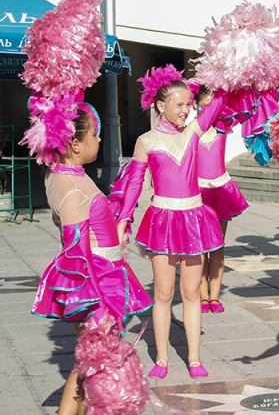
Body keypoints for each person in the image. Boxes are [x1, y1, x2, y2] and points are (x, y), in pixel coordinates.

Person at [29, 105, 153, 415]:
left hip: (103, 275)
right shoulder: (71, 188)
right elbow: (76, 254)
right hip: (94, 286)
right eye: (95, 135)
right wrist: (99, 308)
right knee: (94, 361)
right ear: (74, 143)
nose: (99, 140)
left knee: (91, 363)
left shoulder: (65, 174)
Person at [114, 66, 235, 379]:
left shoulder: (194, 131)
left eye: (189, 104)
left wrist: (229, 67)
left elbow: (219, 102)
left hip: (194, 218)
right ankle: (163, 359)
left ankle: (194, 358)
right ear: (160, 107)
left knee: (191, 293)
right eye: (179, 105)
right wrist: (124, 219)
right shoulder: (146, 141)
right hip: (162, 220)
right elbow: (135, 184)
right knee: (164, 294)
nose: (186, 110)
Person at [195, 85, 250, 313]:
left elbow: (238, 104)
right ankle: (201, 295)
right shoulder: (190, 131)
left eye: (214, 106)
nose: (210, 111)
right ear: (197, 105)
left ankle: (214, 296)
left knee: (217, 246)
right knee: (198, 248)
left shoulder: (223, 128)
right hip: (196, 192)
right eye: (205, 106)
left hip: (219, 189)